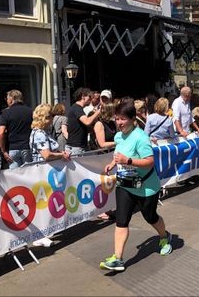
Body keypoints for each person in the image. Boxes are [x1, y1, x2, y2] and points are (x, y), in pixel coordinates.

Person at [100, 100, 172, 271]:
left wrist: (128, 161)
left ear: (133, 119)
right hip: (125, 184)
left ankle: (164, 236)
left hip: (146, 186)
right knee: (121, 220)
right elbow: (119, 153)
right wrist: (112, 163)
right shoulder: (118, 136)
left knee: (150, 217)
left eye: (123, 119)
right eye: (117, 119)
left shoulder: (141, 137)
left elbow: (150, 162)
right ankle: (117, 258)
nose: (119, 123)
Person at [0, 90, 33, 168]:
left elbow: (1, 133)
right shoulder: (30, 111)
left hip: (13, 148)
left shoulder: (6, 112)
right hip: (27, 147)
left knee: (15, 177)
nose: (7, 101)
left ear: (11, 99)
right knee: (29, 175)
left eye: (7, 99)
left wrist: (3, 151)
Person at [66, 87, 101, 155]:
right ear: (83, 96)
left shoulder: (79, 109)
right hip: (76, 148)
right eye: (89, 97)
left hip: (79, 146)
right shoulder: (77, 108)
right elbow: (87, 122)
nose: (91, 99)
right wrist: (98, 112)